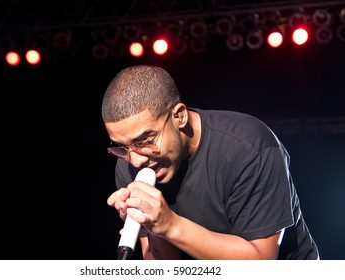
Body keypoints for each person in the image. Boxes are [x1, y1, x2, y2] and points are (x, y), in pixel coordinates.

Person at [101, 64, 319, 260]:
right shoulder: (129, 165)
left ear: (179, 116)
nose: (136, 160)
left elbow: (260, 263)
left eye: (146, 141)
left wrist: (169, 225)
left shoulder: (248, 149)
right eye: (123, 147)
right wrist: (152, 229)